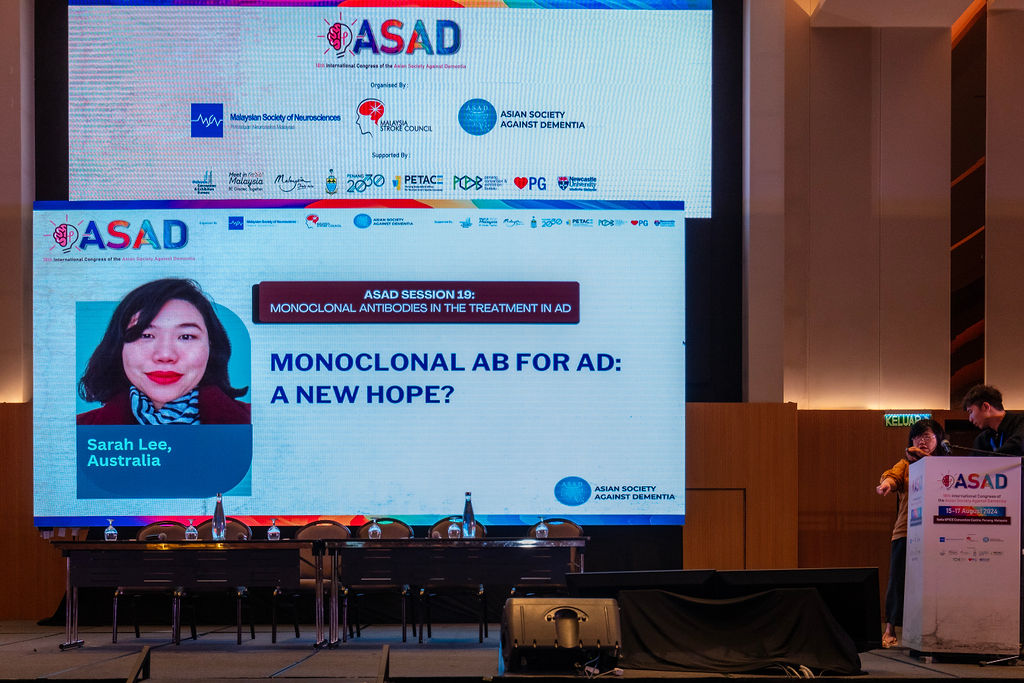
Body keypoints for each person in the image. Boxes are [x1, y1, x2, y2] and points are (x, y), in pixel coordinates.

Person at [77, 278, 250, 425]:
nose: (165, 355)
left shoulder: (256, 423)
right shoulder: (78, 429)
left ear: (211, 347)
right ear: (119, 346)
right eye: (146, 335)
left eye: (186, 336)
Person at [875, 418, 945, 649]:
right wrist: (886, 484)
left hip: (938, 532)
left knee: (935, 582)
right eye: (917, 436)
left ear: (938, 439)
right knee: (898, 580)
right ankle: (889, 629)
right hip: (906, 529)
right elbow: (892, 476)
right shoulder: (906, 464)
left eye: (927, 436)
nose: (921, 441)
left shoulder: (946, 465)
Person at [961, 384, 1024, 456]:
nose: (970, 419)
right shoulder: (982, 440)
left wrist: (990, 460)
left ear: (986, 407)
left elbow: (1017, 446)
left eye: (970, 412)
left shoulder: (1020, 422)